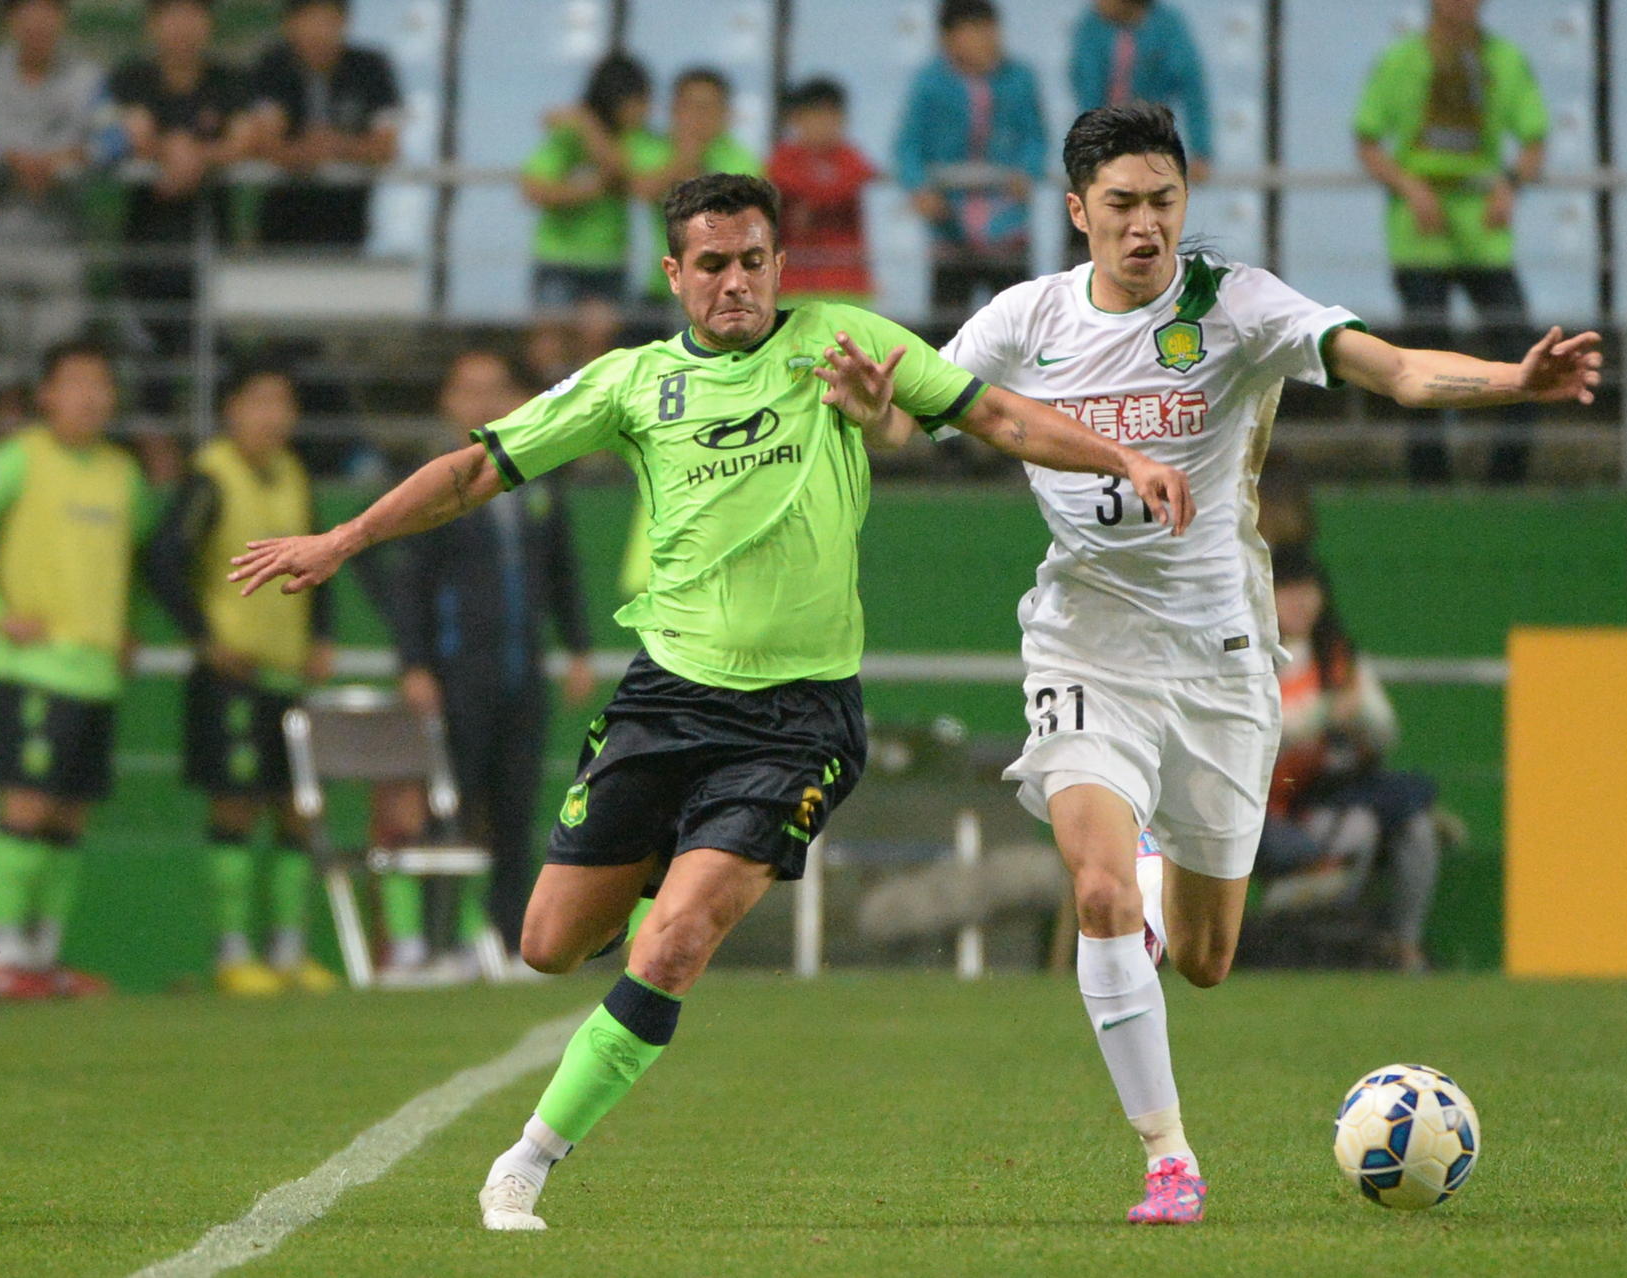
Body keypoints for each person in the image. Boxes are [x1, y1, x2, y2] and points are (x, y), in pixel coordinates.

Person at [228, 171, 1193, 1231]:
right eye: (714, 265)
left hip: (796, 722)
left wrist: (1123, 455)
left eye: (755, 261)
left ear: (779, 261)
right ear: (674, 274)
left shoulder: (842, 342)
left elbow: (996, 413)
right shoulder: (632, 383)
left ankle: (528, 1161)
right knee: (548, 944)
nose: (737, 283)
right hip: (664, 704)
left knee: (676, 940)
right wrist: (342, 539)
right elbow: (475, 470)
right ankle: (670, 861)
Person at [899, 102, 1596, 1222]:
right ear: (1077, 211)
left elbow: (1401, 370)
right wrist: (859, 401)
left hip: (1223, 660)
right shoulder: (1024, 318)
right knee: (1097, 885)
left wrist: (1516, 383)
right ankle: (1168, 1158)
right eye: (1120, 205)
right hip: (1084, 640)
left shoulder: (1234, 303)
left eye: (1162, 202)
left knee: (1212, 956)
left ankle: (1151, 905)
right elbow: (916, 407)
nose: (1145, 227)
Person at [385, 349, 594, 976]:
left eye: (496, 387)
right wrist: (415, 663)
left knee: (516, 810)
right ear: (447, 401)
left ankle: (509, 944)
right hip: (456, 677)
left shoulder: (537, 478)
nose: (484, 401)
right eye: (470, 389)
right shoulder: (433, 482)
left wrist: (578, 648)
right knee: (450, 810)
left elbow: (562, 572)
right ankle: (439, 941)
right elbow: (409, 581)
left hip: (521, 676)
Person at [144, 363, 338, 995]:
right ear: (231, 411)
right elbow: (162, 557)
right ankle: (233, 953)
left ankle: (286, 951)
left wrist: (322, 636)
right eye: (259, 401)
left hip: (285, 675)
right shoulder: (211, 476)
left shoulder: (294, 476)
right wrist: (206, 637)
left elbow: (321, 556)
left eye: (282, 402)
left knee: (293, 811)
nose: (273, 416)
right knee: (233, 805)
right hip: (231, 676)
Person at [0, 343, 148, 1001]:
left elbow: (124, 563)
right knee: (24, 804)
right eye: (75, 383)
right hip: (32, 668)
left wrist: (125, 628)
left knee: (70, 816)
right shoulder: (17, 459)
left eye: (100, 383)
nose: (90, 396)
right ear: (45, 394)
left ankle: (43, 955)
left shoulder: (123, 474)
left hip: (97, 673)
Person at [1355, 0, 1549, 485]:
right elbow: (1368, 141)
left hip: (1484, 234)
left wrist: (1509, 184)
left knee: (1519, 350)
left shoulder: (1505, 60)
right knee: (1422, 360)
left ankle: (1507, 482)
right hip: (1420, 237)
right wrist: (1412, 188)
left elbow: (1534, 140)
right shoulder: (1401, 61)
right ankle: (1429, 482)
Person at [1258, 541, 1439, 973]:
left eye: (1309, 591)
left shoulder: (1337, 657)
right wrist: (1324, 713)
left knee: (1418, 829)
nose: (1301, 601)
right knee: (1359, 828)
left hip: (1342, 792)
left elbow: (1385, 730)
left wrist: (1360, 719)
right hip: (1280, 806)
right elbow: (1264, 735)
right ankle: (1333, 949)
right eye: (1288, 591)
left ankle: (1404, 946)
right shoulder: (1252, 660)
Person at [109, 0, 255, 418]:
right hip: (146, 250)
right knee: (150, 375)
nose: (183, 26)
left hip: (213, 249)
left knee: (217, 366)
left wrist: (195, 156)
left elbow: (245, 140)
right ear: (153, 24)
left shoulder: (228, 81)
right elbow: (134, 135)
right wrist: (173, 150)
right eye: (171, 14)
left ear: (208, 24)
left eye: (194, 14)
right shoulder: (133, 78)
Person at [0, 0, 111, 398]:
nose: (38, 20)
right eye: (27, 9)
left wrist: (68, 160)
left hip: (62, 247)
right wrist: (9, 160)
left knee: (56, 367)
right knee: (3, 374)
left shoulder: (88, 78)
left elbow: (116, 137)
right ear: (9, 18)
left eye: (49, 9)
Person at [894, 0, 1047, 316]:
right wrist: (920, 188)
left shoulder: (1020, 78)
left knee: (1016, 319)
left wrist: (1027, 172)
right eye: (972, 31)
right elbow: (907, 146)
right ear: (947, 39)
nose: (985, 40)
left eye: (989, 30)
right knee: (948, 321)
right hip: (949, 224)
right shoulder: (929, 83)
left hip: (1007, 223)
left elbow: (1035, 136)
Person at [249, 0, 401, 247]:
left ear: (344, 23)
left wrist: (338, 146)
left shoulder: (372, 68)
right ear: (290, 25)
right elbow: (265, 143)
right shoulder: (273, 67)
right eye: (310, 21)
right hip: (280, 225)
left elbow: (387, 147)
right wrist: (304, 153)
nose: (319, 33)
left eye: (327, 21)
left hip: (349, 225)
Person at [523, 53, 649, 316]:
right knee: (550, 339)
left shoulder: (636, 139)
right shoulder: (567, 138)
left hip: (608, 259)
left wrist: (586, 124)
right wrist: (589, 189)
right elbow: (534, 189)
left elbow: (620, 172)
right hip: (557, 256)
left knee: (599, 341)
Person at [626, 68, 763, 305]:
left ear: (725, 113)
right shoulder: (652, 149)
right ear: (673, 109)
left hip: (721, 287)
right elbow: (644, 190)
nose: (699, 117)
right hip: (660, 285)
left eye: (708, 108)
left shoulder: (741, 160)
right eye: (690, 106)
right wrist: (686, 157)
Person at [1069, 0, 1211, 183]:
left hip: (1151, 144)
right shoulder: (1090, 27)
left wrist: (1200, 151)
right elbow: (1087, 91)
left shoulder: (1167, 27)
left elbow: (1193, 91)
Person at [768, 78, 876, 305]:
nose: (824, 124)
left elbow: (859, 179)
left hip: (847, 282)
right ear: (796, 119)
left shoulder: (850, 157)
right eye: (816, 116)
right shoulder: (783, 158)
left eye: (832, 116)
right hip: (793, 282)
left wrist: (808, 200)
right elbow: (780, 183)